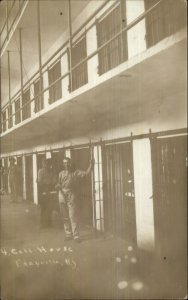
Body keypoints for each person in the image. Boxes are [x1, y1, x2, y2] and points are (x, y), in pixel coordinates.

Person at [56, 157, 94, 242]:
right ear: (63, 164)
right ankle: (68, 234)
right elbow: (58, 183)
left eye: (67, 163)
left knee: (73, 216)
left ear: (70, 163)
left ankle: (76, 235)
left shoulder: (76, 172)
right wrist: (58, 186)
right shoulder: (61, 173)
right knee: (64, 216)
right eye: (64, 163)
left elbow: (86, 174)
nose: (66, 165)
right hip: (62, 194)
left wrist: (91, 165)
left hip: (71, 194)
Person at [37, 158, 57, 228]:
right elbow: (40, 182)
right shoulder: (40, 171)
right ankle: (42, 224)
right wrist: (45, 190)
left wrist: (52, 185)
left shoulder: (51, 171)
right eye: (45, 163)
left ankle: (49, 223)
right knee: (43, 207)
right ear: (42, 164)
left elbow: (54, 180)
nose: (46, 165)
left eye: (47, 163)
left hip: (50, 189)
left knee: (50, 207)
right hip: (43, 190)